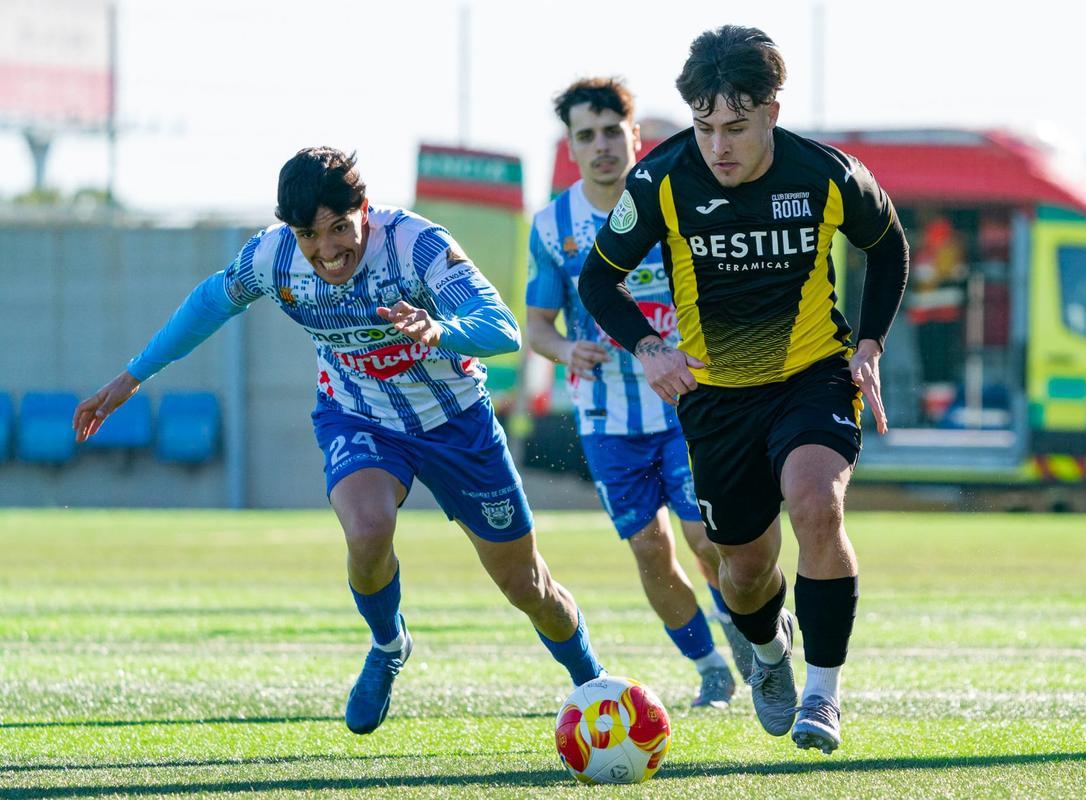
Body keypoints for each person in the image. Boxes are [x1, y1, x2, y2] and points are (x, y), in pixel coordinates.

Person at [74, 147, 605, 735]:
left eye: (339, 228)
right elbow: (209, 303)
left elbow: (501, 327)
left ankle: (596, 688)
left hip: (457, 419)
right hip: (360, 416)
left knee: (526, 585)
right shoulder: (272, 258)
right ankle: (388, 643)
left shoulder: (415, 244)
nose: (327, 251)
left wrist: (438, 328)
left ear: (365, 210)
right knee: (368, 527)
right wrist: (132, 377)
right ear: (289, 231)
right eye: (309, 234)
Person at [579, 27, 909, 754]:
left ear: (771, 113)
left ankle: (823, 697)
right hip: (717, 398)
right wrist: (648, 346)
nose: (717, 146)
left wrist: (870, 344)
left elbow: (887, 245)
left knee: (817, 505)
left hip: (811, 377)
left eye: (734, 127)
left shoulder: (828, 174)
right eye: (703, 127)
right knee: (746, 572)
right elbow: (598, 278)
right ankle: (768, 654)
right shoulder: (659, 180)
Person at [526, 78, 755, 709]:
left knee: (707, 538)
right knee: (651, 549)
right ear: (571, 146)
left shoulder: (677, 202)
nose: (601, 146)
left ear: (635, 135)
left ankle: (744, 629)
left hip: (688, 402)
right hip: (607, 418)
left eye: (611, 132)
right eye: (585, 136)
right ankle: (709, 666)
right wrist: (568, 350)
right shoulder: (553, 226)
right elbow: (537, 328)